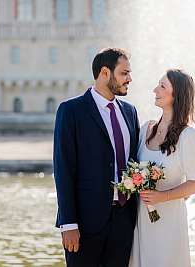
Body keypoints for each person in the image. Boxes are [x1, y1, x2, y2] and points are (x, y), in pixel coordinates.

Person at [53, 48, 140, 267]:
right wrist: (68, 223)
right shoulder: (71, 111)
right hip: (84, 223)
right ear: (104, 72)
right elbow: (63, 169)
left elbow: (134, 163)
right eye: (124, 73)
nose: (130, 79)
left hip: (123, 220)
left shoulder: (130, 112)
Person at [130, 69, 195, 267]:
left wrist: (163, 196)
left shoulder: (189, 137)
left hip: (168, 222)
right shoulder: (146, 129)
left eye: (162, 86)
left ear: (177, 95)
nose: (155, 89)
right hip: (140, 220)